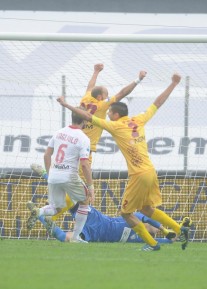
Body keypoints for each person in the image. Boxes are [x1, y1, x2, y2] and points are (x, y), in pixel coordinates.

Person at [56, 73, 192, 252]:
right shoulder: (139, 119)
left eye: (110, 112)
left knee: (126, 213)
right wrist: (173, 84)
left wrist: (66, 104)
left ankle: (152, 244)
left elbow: (88, 117)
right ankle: (179, 229)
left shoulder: (115, 125)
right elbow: (158, 103)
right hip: (151, 171)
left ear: (115, 114)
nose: (108, 114)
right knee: (146, 209)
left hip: (138, 175)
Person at [31, 63, 147, 220]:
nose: (108, 98)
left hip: (70, 145)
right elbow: (122, 93)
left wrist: (96, 72)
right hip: (84, 149)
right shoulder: (102, 105)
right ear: (100, 97)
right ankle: (47, 212)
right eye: (106, 95)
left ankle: (49, 207)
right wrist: (138, 80)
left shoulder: (86, 98)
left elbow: (90, 86)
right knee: (79, 194)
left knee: (69, 184)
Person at [26, 108, 95, 243]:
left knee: (56, 208)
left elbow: (47, 155)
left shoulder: (59, 132)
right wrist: (91, 185)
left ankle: (39, 212)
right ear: (85, 119)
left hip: (54, 175)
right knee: (85, 201)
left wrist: (50, 174)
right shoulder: (83, 138)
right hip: (69, 175)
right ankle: (75, 238)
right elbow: (85, 165)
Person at [27, 202, 176, 244]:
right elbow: (150, 219)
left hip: (94, 235)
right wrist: (164, 229)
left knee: (64, 239)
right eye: (155, 229)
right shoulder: (136, 218)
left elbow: (163, 241)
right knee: (71, 200)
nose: (154, 232)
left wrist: (172, 238)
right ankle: (47, 175)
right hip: (98, 220)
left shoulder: (143, 239)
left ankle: (39, 214)